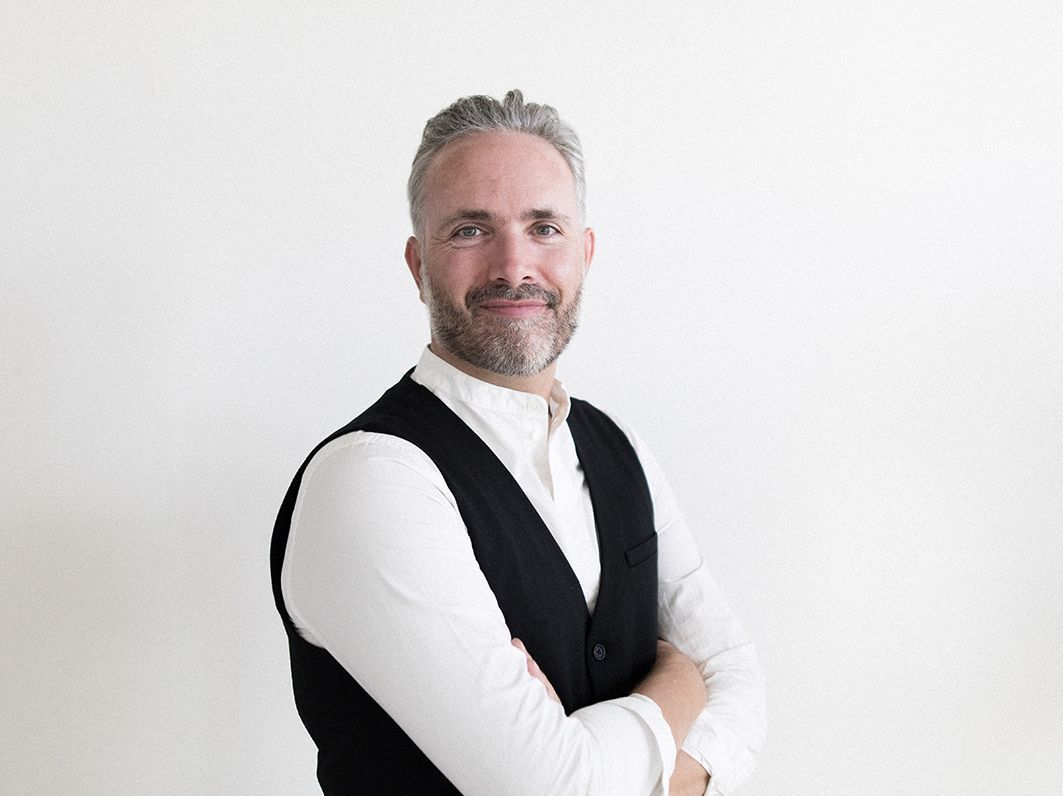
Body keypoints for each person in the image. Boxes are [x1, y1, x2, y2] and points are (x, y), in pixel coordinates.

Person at [270, 90, 765, 795]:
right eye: (471, 230)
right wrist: (681, 680)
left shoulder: (619, 448)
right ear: (418, 266)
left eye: (544, 228)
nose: (513, 266)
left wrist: (613, 764)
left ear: (584, 255)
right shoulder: (370, 478)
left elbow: (739, 680)